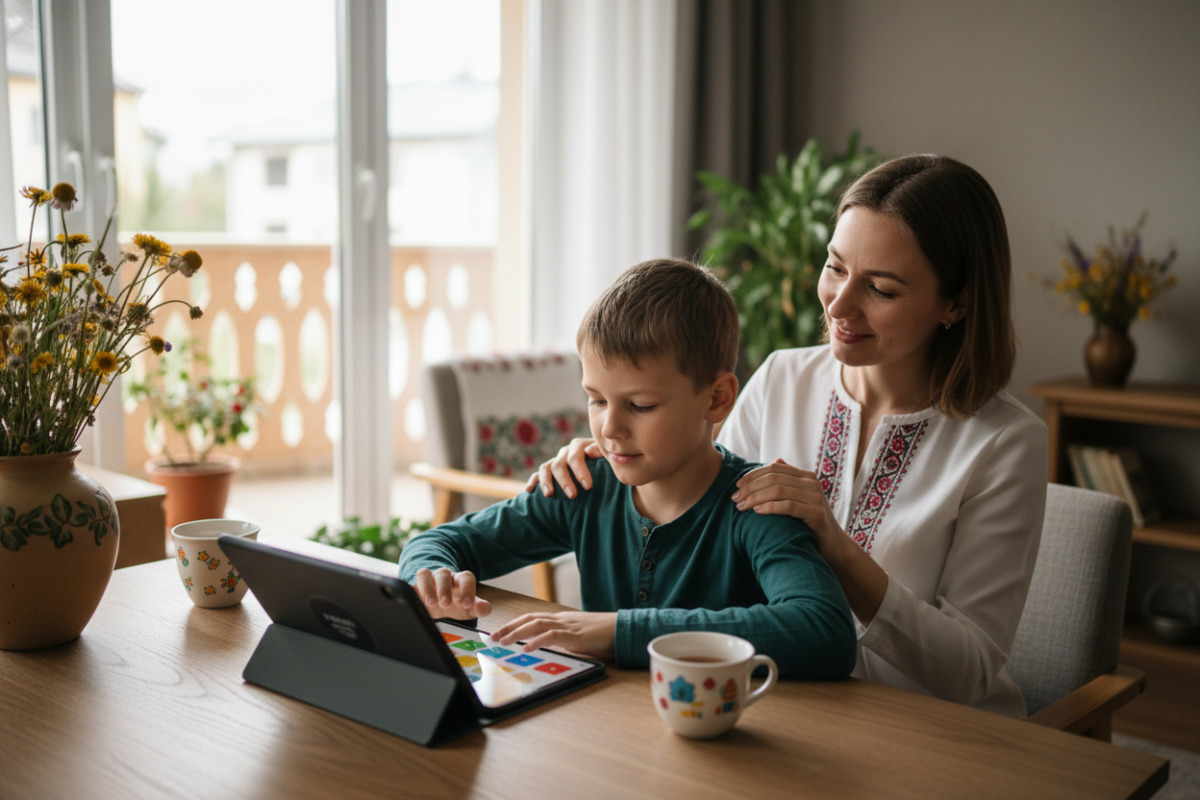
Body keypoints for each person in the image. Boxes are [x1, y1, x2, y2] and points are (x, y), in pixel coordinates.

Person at [527, 155, 1048, 717]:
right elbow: (690, 491)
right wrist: (609, 460)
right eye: (835, 267)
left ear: (958, 302)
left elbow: (967, 673)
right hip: (777, 704)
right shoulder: (781, 377)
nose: (839, 305)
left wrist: (838, 548)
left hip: (932, 731)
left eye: (882, 289)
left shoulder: (1005, 443)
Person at [400, 258, 856, 679]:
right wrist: (432, 578)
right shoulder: (584, 486)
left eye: (639, 405)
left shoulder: (757, 504)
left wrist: (617, 632)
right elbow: (439, 541)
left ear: (716, 398)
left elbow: (822, 630)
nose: (610, 428)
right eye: (596, 400)